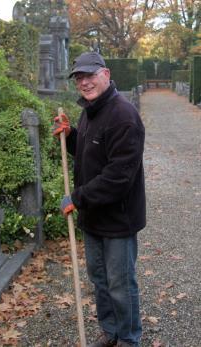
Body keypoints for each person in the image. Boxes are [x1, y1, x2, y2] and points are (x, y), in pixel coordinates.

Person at [53, 52, 146, 347]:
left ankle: (129, 340)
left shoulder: (124, 116)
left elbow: (118, 177)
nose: (84, 81)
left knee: (120, 285)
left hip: (118, 218)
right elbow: (91, 154)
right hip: (93, 217)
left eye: (89, 75)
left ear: (105, 74)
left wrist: (77, 198)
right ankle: (111, 333)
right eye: (79, 77)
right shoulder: (91, 109)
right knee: (100, 281)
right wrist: (70, 136)